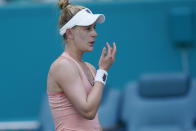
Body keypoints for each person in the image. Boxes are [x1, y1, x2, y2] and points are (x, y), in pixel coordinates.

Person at [47, 0, 117, 130]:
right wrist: (102, 71)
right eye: (87, 29)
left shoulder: (90, 68)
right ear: (69, 33)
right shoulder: (63, 66)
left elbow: (94, 121)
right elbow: (88, 112)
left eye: (94, 28)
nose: (95, 33)